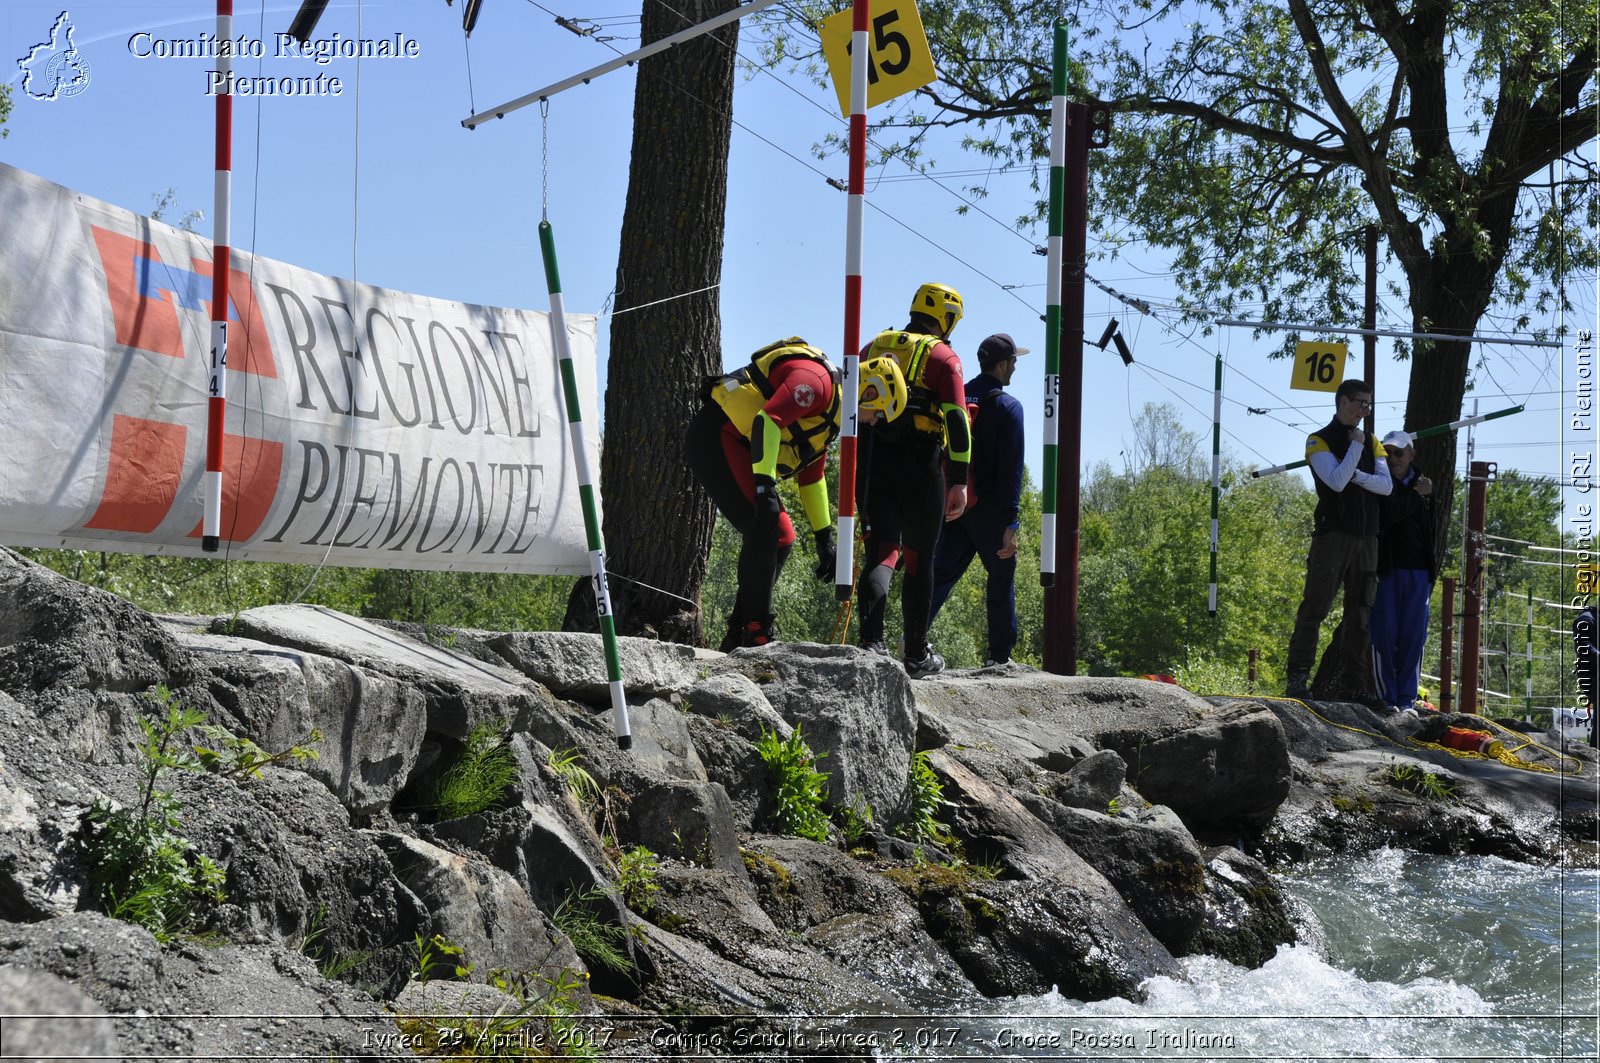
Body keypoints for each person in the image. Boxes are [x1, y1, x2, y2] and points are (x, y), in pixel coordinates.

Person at [687, 337, 906, 650]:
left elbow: (812, 477)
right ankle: (756, 632)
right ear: (870, 392)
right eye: (879, 414)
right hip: (717, 436)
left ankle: (738, 633)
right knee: (769, 528)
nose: (874, 423)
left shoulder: (833, 415)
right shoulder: (817, 384)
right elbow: (768, 421)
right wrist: (764, 488)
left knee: (783, 537)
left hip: (739, 446)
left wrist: (823, 539)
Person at [856, 283, 972, 678]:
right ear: (948, 317)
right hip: (921, 465)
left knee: (882, 553)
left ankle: (871, 643)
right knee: (920, 560)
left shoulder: (872, 347)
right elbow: (957, 419)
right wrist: (959, 480)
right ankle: (917, 655)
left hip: (873, 460)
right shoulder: (943, 357)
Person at [1283, 378, 1392, 707]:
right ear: (1343, 401)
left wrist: (1359, 473)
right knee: (1315, 608)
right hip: (1333, 538)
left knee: (1360, 615)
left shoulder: (1373, 443)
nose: (1365, 411)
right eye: (1361, 403)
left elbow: (1386, 487)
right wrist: (1356, 450)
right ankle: (1298, 676)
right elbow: (1335, 481)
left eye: (1369, 405)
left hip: (1367, 540)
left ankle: (1353, 685)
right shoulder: (1318, 441)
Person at [927, 332, 1027, 666]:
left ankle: (914, 637)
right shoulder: (1009, 407)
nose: (1014, 368)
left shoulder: (958, 396)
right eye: (1013, 362)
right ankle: (998, 658)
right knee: (1000, 578)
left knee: (940, 575)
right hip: (992, 511)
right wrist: (1011, 521)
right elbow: (1012, 469)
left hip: (953, 503)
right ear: (1001, 365)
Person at [1369, 429, 1436, 711]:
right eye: (1387, 452)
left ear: (1411, 454)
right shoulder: (1378, 481)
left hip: (1419, 571)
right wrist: (1417, 495)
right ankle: (1386, 698)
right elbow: (1391, 515)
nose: (1393, 458)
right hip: (1387, 569)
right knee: (1384, 634)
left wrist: (1421, 494)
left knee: (1413, 636)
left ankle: (1407, 699)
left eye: (1398, 452)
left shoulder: (1423, 485)